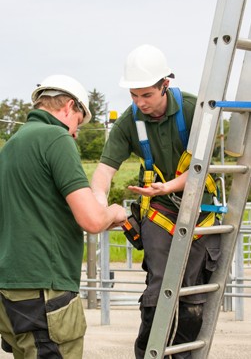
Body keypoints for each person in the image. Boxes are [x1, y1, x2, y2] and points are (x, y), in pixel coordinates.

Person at [91, 44, 221, 359]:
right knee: (160, 283)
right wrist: (98, 205)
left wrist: (168, 187)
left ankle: (183, 355)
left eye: (146, 95)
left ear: (165, 84)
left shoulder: (194, 109)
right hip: (159, 211)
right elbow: (104, 172)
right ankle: (150, 354)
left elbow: (200, 167)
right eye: (133, 95)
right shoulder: (129, 121)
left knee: (190, 285)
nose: (139, 103)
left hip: (199, 208)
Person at [0, 74, 127, 359]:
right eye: (78, 125)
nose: (75, 134)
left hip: (10, 289)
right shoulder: (55, 137)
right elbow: (93, 220)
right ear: (69, 107)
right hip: (45, 288)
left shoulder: (11, 146)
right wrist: (114, 212)